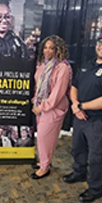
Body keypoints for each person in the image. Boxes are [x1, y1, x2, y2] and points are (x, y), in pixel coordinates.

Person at [62, 30, 102, 203]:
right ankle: (79, 172)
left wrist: (80, 106)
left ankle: (95, 189)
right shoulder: (88, 64)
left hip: (98, 121)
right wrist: (76, 106)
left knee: (96, 157)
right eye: (100, 42)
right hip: (79, 116)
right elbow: (74, 86)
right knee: (77, 148)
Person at [31, 35, 72, 179]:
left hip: (53, 108)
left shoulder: (63, 67)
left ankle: (45, 167)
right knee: (43, 137)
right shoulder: (43, 64)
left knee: (45, 137)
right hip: (40, 106)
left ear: (58, 50)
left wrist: (41, 107)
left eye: (52, 48)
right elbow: (38, 85)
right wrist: (36, 101)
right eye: (46, 47)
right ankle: (44, 161)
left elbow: (57, 95)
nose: (47, 51)